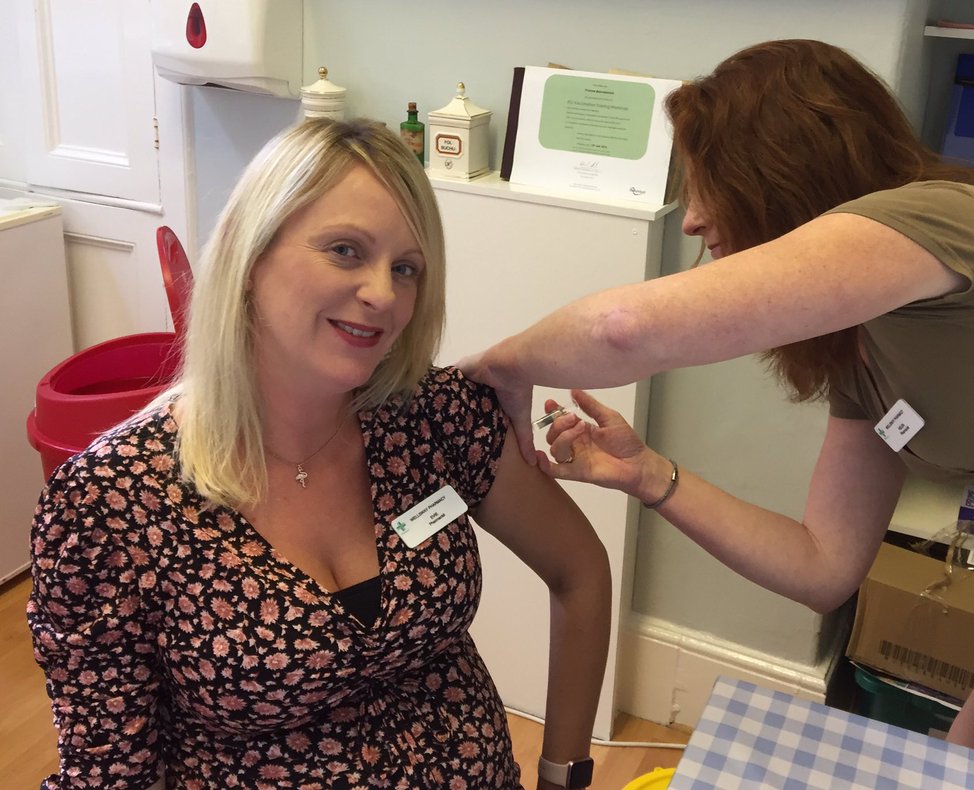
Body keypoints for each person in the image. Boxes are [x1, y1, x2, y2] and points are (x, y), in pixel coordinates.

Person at [460, 39, 974, 790]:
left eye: (704, 183)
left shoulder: (945, 221)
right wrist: (650, 475)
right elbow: (823, 566)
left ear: (778, 170)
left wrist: (492, 367)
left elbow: (622, 329)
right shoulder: (868, 353)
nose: (694, 219)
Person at [27, 118, 611, 790]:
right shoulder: (110, 502)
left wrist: (563, 777)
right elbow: (111, 774)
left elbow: (581, 571)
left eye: (406, 268)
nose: (383, 295)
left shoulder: (435, 418)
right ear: (251, 255)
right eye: (344, 250)